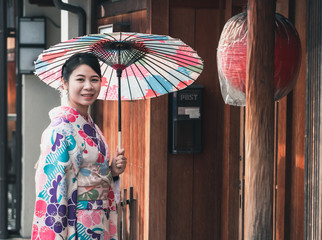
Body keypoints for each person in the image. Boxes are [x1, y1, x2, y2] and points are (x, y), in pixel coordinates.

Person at [31, 52, 127, 240]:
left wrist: (112, 171)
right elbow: (53, 191)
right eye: (80, 79)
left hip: (100, 219)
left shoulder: (92, 127)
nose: (88, 86)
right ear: (65, 83)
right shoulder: (60, 130)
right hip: (77, 223)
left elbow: (95, 174)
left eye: (94, 79)